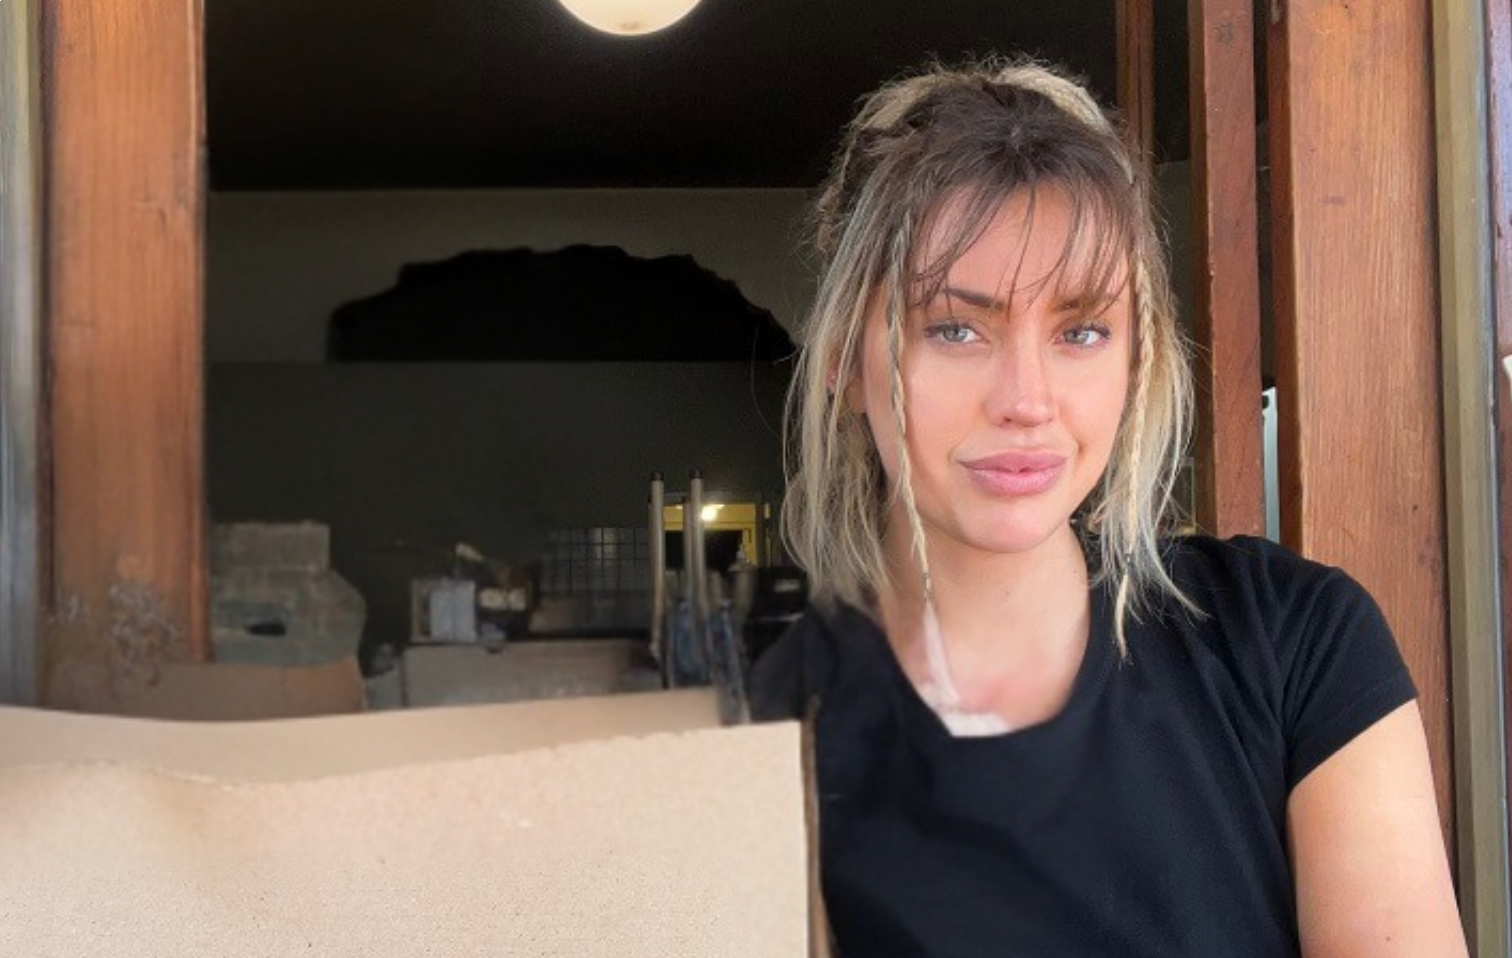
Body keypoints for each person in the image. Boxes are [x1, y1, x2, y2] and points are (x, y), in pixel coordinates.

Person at [750, 58, 1468, 957]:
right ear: (843, 363)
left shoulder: (1296, 643)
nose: (1027, 400)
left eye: (1081, 331)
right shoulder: (770, 734)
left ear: (1137, 360)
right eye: (955, 328)